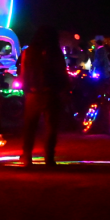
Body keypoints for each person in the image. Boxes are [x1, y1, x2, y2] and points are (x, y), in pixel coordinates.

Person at [21, 26, 68, 167]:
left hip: (33, 93)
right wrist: (63, 89)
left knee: (30, 126)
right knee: (51, 127)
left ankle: (27, 156)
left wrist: (26, 88)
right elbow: (61, 72)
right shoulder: (55, 52)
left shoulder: (28, 52)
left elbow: (23, 72)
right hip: (51, 92)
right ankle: (49, 157)